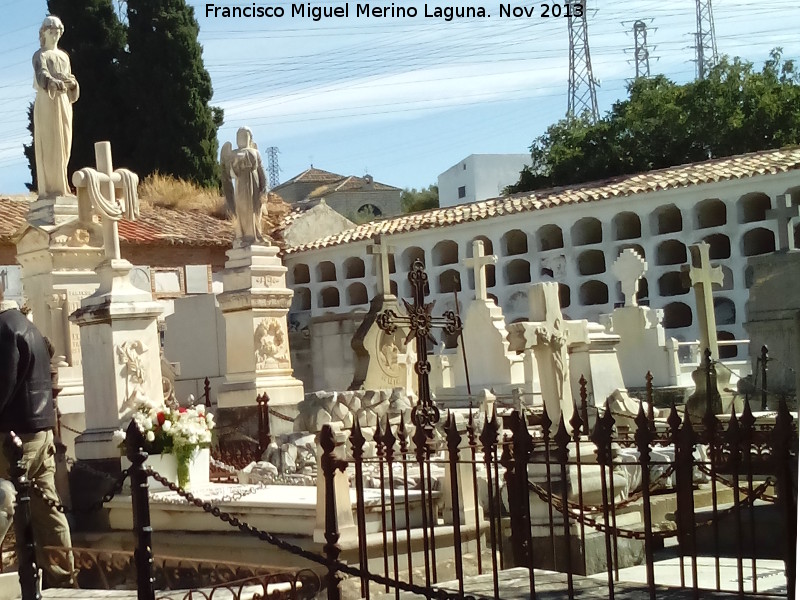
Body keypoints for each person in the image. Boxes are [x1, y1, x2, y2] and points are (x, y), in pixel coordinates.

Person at [0, 291, 75, 587]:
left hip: (14, 434)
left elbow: (2, 385)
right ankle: (63, 576)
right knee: (47, 508)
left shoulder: (4, 330)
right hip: (42, 430)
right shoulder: (28, 327)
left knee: (3, 494)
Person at [32, 15, 80, 198]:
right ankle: (52, 188)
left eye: (58, 32)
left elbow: (69, 78)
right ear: (44, 33)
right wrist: (52, 82)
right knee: (50, 144)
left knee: (64, 143)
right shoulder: (40, 55)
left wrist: (73, 84)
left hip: (64, 102)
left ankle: (63, 186)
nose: (55, 35)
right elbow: (41, 74)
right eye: (51, 32)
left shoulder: (64, 57)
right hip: (47, 102)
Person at [220, 127, 267, 246]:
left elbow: (262, 172)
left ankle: (257, 235)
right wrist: (233, 163)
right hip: (241, 185)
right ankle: (246, 236)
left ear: (249, 138)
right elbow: (229, 173)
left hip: (255, 184)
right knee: (243, 209)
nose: (241, 138)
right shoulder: (233, 153)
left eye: (244, 136)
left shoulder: (255, 152)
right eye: (239, 136)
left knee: (256, 209)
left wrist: (264, 189)